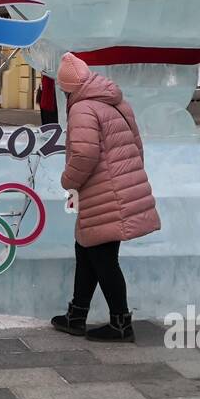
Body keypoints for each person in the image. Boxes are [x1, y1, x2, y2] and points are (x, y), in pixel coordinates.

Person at [51, 53, 160, 342]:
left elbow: (85, 154)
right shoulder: (116, 101)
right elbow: (137, 144)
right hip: (117, 186)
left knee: (102, 257)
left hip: (104, 190)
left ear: (68, 88)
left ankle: (120, 323)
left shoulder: (82, 109)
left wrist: (68, 181)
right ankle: (77, 315)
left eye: (62, 89)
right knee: (87, 250)